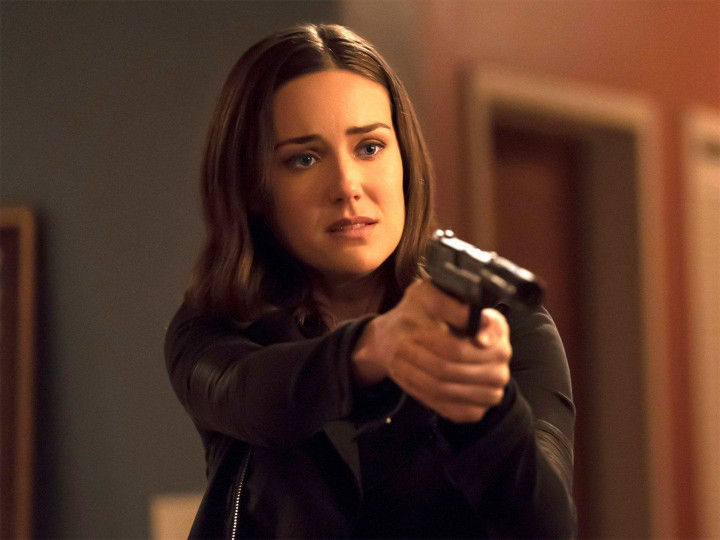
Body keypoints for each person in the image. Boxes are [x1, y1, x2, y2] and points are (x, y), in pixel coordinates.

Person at [165, 23, 575, 539]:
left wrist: (484, 407)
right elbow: (258, 398)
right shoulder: (215, 327)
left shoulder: (511, 323)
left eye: (370, 148)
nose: (346, 185)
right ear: (253, 187)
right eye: (304, 159)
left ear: (405, 159)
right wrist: (373, 349)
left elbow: (547, 525)